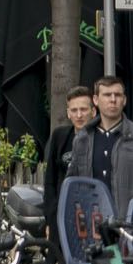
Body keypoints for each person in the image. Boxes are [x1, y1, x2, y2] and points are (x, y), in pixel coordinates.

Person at [69, 74, 133, 212]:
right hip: (92, 226)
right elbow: (72, 184)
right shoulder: (82, 140)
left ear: (124, 100)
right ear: (95, 100)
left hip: (131, 228)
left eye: (117, 95)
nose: (113, 100)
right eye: (107, 95)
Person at [42, 84, 96, 230]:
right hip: (62, 217)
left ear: (93, 111)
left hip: (93, 216)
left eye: (83, 110)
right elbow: (50, 181)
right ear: (68, 113)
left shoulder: (101, 139)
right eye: (74, 110)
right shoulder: (60, 136)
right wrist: (50, 219)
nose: (79, 115)